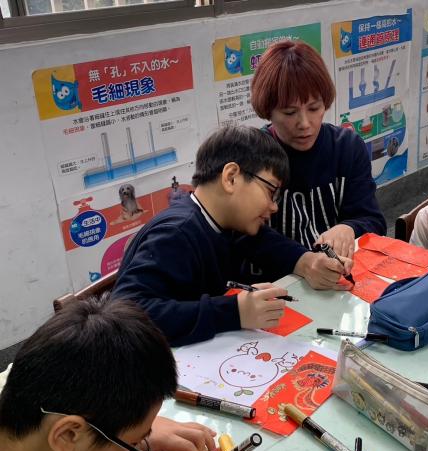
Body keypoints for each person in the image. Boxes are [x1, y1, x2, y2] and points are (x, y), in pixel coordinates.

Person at [112, 126, 352, 347]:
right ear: (231, 178)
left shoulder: (222, 222)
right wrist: (233, 312)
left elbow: (265, 242)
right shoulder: (177, 233)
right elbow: (123, 317)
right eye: (270, 191)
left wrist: (308, 262)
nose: (274, 206)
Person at [0, 296, 262, 451]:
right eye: (135, 444)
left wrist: (136, 430)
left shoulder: (20, 385)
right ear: (68, 435)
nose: (137, 449)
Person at [250, 40, 386, 259]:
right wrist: (301, 261)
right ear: (268, 111)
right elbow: (242, 237)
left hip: (335, 269)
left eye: (314, 108)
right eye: (289, 113)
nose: (305, 124)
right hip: (277, 275)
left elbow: (373, 221)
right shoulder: (252, 155)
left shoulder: (347, 148)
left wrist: (349, 228)